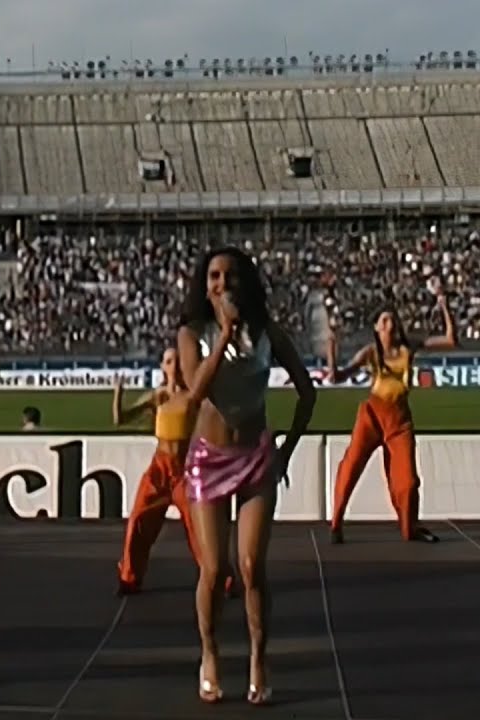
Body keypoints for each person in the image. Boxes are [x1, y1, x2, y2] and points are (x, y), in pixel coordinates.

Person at [176, 247, 315, 705]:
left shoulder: (269, 333)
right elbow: (196, 392)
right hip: (207, 458)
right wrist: (225, 335)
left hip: (255, 456)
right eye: (214, 276)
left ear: (246, 282)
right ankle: (210, 652)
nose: (222, 283)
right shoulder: (191, 334)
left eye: (231, 275)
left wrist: (287, 451)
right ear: (205, 284)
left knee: (252, 567)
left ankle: (259, 655)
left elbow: (306, 392)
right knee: (214, 570)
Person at [327, 289, 457, 544]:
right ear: (377, 328)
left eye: (393, 319)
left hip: (399, 421)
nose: (391, 324)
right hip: (372, 416)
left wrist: (444, 307)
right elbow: (337, 377)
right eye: (385, 320)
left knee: (407, 482)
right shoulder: (370, 352)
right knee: (351, 467)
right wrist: (332, 354)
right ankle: (336, 523)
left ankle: (410, 528)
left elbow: (451, 340)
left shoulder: (408, 347)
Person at [112, 352, 236, 597]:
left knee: (199, 528)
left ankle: (222, 579)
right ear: (162, 366)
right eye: (169, 361)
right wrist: (118, 394)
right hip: (159, 468)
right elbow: (120, 420)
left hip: (186, 469)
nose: (175, 366)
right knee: (139, 520)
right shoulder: (159, 396)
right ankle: (129, 578)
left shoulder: (193, 395)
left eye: (179, 361)